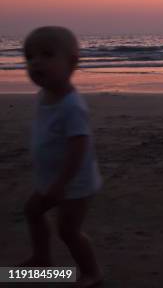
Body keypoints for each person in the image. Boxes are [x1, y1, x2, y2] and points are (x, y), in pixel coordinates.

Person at [20, 26, 103, 287]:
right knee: (32, 211)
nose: (36, 62)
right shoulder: (45, 96)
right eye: (29, 57)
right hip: (51, 179)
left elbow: (79, 147)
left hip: (73, 184)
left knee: (67, 230)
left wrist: (61, 185)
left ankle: (92, 273)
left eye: (46, 54)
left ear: (72, 62)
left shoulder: (71, 106)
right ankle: (42, 259)